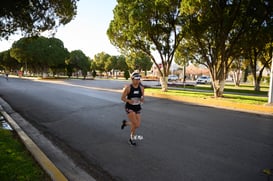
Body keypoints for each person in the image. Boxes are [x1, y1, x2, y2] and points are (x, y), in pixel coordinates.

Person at [121, 72, 144, 146]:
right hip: (129, 107)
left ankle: (125, 123)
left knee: (137, 125)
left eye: (139, 79)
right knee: (134, 124)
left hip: (137, 107)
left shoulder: (141, 88)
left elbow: (142, 97)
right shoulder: (128, 88)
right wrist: (129, 100)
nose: (137, 81)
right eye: (136, 79)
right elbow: (122, 98)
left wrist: (142, 100)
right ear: (132, 79)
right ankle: (131, 139)